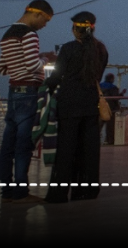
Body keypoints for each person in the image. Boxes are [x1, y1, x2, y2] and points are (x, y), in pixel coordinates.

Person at [45, 11, 109, 203]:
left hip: (69, 104)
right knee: (89, 150)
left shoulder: (68, 49)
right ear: (93, 27)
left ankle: (59, 194)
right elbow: (97, 75)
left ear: (75, 29)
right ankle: (87, 191)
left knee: (66, 149)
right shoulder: (101, 50)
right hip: (91, 104)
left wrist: (44, 89)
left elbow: (57, 76)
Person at [0, 0, 56, 203]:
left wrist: (31, 58)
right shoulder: (30, 34)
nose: (44, 25)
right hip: (29, 92)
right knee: (24, 145)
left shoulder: (7, 35)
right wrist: (46, 59)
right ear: (37, 14)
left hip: (13, 92)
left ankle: (6, 191)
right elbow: (32, 66)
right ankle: (21, 192)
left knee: (7, 147)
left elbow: (3, 68)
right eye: (46, 20)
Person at [98, 73, 122, 145]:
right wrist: (122, 94)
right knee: (110, 127)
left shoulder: (99, 86)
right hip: (111, 109)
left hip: (100, 108)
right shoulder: (113, 88)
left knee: (98, 126)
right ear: (111, 79)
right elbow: (116, 98)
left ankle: (95, 140)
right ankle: (110, 141)